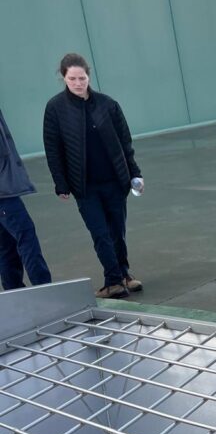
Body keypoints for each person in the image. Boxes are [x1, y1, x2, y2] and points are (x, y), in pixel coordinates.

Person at [43, 53, 144, 299]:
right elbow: (53, 149)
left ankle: (124, 275)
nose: (78, 83)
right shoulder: (56, 108)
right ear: (63, 78)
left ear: (89, 76)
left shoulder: (107, 104)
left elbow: (125, 142)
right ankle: (113, 280)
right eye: (72, 79)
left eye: (82, 78)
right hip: (84, 186)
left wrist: (135, 174)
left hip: (115, 181)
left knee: (117, 231)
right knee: (100, 233)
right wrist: (61, 183)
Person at [0, 109, 52, 291]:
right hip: (4, 194)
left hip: (5, 191)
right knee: (26, 238)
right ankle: (44, 290)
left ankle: (14, 294)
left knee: (6, 246)